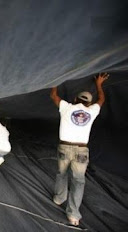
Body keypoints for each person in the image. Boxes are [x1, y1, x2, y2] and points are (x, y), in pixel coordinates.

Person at [50, 73, 109, 226]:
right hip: (81, 151)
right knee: (78, 182)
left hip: (64, 147)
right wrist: (99, 84)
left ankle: (58, 198)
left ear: (75, 99)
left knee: (61, 173)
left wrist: (55, 80)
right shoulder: (92, 111)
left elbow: (53, 95)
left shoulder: (67, 107)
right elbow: (101, 99)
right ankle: (73, 215)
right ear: (89, 103)